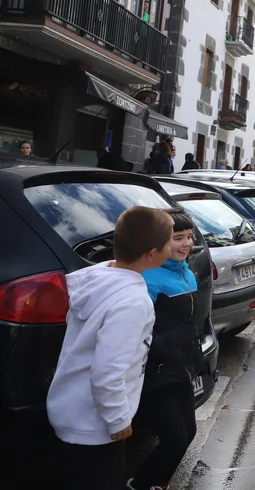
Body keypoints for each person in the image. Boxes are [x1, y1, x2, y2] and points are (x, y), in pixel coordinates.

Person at [46, 207, 173, 490]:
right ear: (152, 254)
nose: (172, 247)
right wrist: (118, 420)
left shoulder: (99, 278)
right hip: (96, 426)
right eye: (169, 243)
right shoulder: (132, 302)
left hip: (72, 410)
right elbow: (107, 372)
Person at [130, 211, 207, 490]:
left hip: (181, 366)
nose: (186, 244)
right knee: (174, 439)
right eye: (178, 238)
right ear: (159, 243)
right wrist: (164, 353)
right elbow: (139, 329)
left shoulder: (186, 271)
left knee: (188, 433)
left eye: (190, 237)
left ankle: (156, 483)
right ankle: (139, 485)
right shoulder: (148, 278)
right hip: (158, 371)